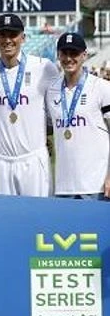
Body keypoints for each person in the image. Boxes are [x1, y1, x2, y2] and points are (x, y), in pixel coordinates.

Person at [0, 13, 59, 197]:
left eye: (13, 34)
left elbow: (58, 111)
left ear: (23, 37)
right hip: (1, 161)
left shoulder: (44, 67)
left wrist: (43, 134)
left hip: (34, 159)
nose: (8, 40)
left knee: (40, 219)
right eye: (3, 34)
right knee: (5, 221)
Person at [46, 33, 110, 199]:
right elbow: (48, 127)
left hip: (96, 185)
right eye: (64, 53)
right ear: (58, 55)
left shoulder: (102, 88)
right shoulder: (51, 91)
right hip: (63, 187)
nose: (68, 58)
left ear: (84, 55)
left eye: (73, 53)